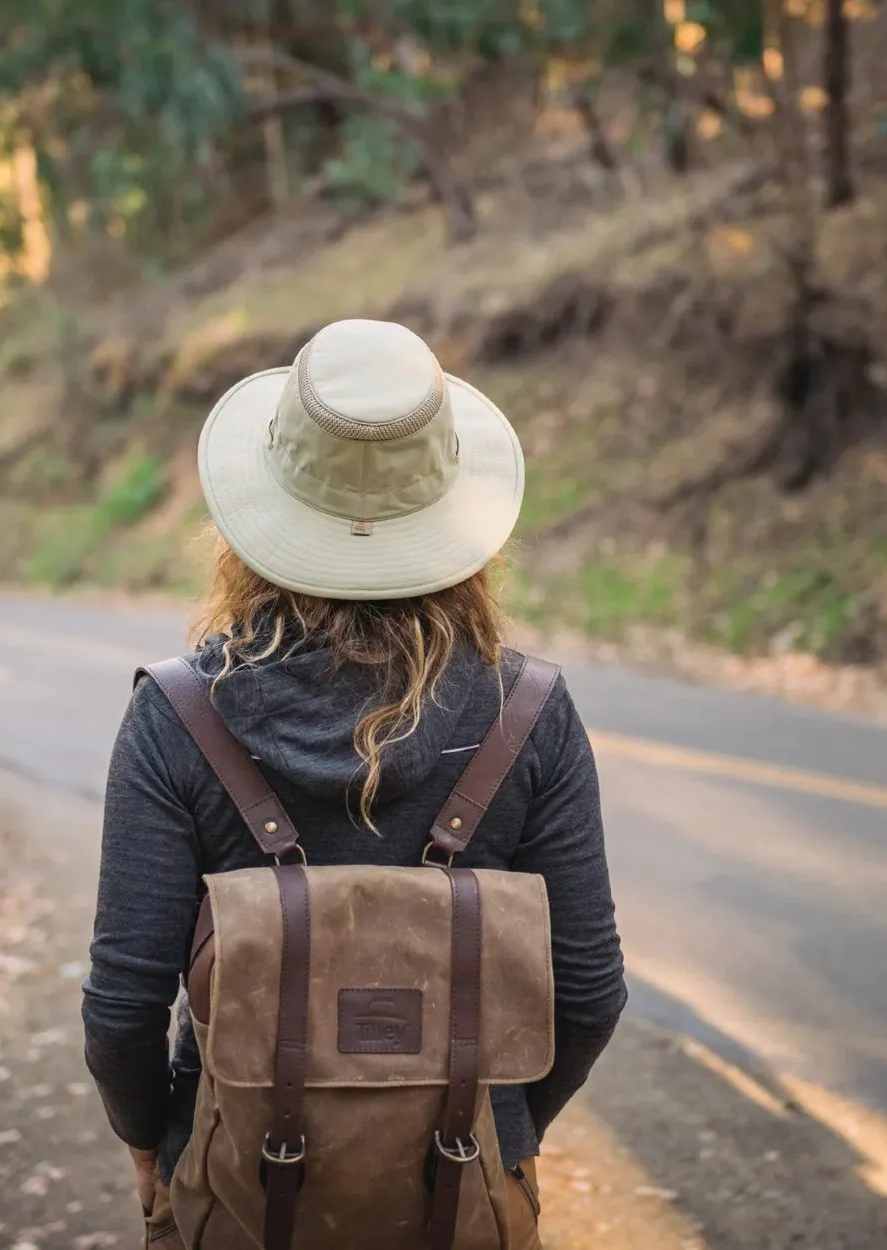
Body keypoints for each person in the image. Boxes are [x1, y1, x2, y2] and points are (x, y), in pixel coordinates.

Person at [82, 318, 627, 1248]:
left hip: (239, 1179)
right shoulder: (531, 712)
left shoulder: (177, 717)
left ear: (260, 511)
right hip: (467, 1187)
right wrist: (508, 1129)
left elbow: (125, 1006)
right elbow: (588, 990)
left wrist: (157, 1142)